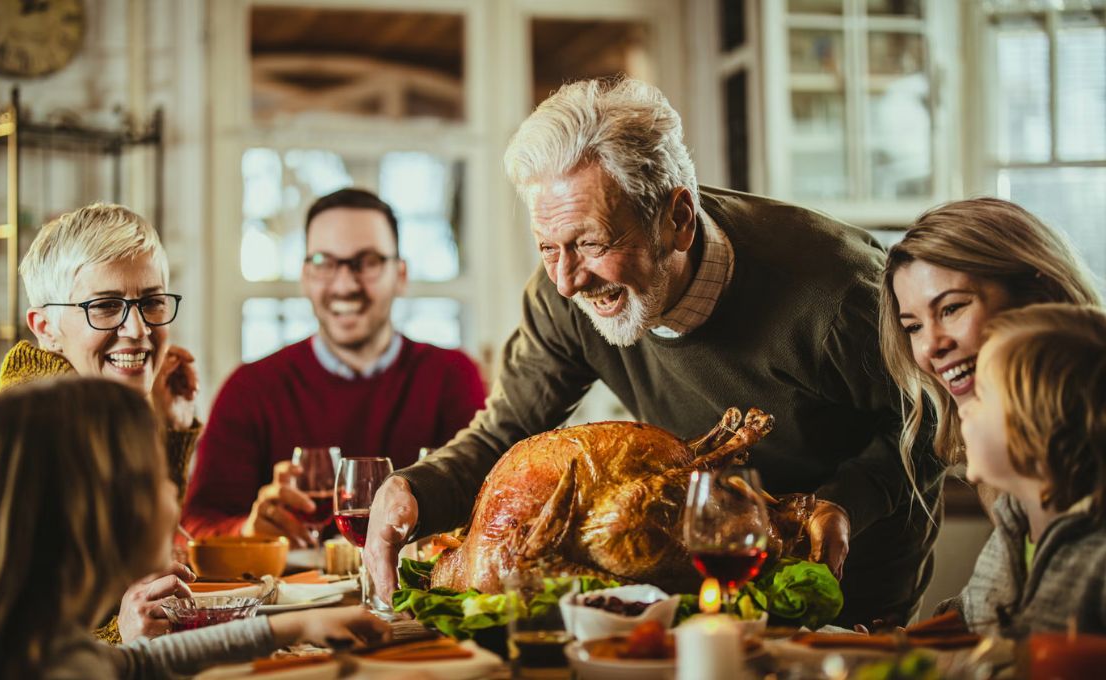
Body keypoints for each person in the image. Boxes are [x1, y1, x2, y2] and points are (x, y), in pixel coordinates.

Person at [366, 78, 940, 626]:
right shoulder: (563, 297)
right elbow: (508, 430)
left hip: (843, 585)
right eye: (548, 248)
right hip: (693, 578)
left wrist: (845, 502)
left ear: (678, 220)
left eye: (591, 243)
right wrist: (415, 490)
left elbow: (931, 416)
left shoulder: (835, 295)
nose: (567, 281)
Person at [0, 377, 389, 679]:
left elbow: (138, 663)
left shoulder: (36, 649)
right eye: (157, 475)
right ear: (97, 515)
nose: (174, 489)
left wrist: (295, 624)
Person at [0, 202, 203, 644]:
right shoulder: (21, 440)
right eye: (105, 306)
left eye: (152, 302)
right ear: (44, 328)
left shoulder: (97, 411)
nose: (138, 329)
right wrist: (120, 639)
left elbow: (143, 565)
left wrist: (172, 430)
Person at [182, 188, 486, 546]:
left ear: (400, 275)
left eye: (368, 262)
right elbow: (194, 528)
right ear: (305, 277)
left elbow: (486, 506)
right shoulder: (250, 389)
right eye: (324, 262)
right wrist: (247, 530)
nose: (345, 285)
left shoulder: (451, 377)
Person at [879, 198, 1100, 509]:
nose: (930, 346)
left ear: (1038, 295)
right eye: (913, 327)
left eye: (951, 309)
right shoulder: (1003, 461)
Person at [939, 304, 1106, 635]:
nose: (964, 410)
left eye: (982, 396)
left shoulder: (1097, 562)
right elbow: (974, 627)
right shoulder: (1010, 529)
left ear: (1039, 431)